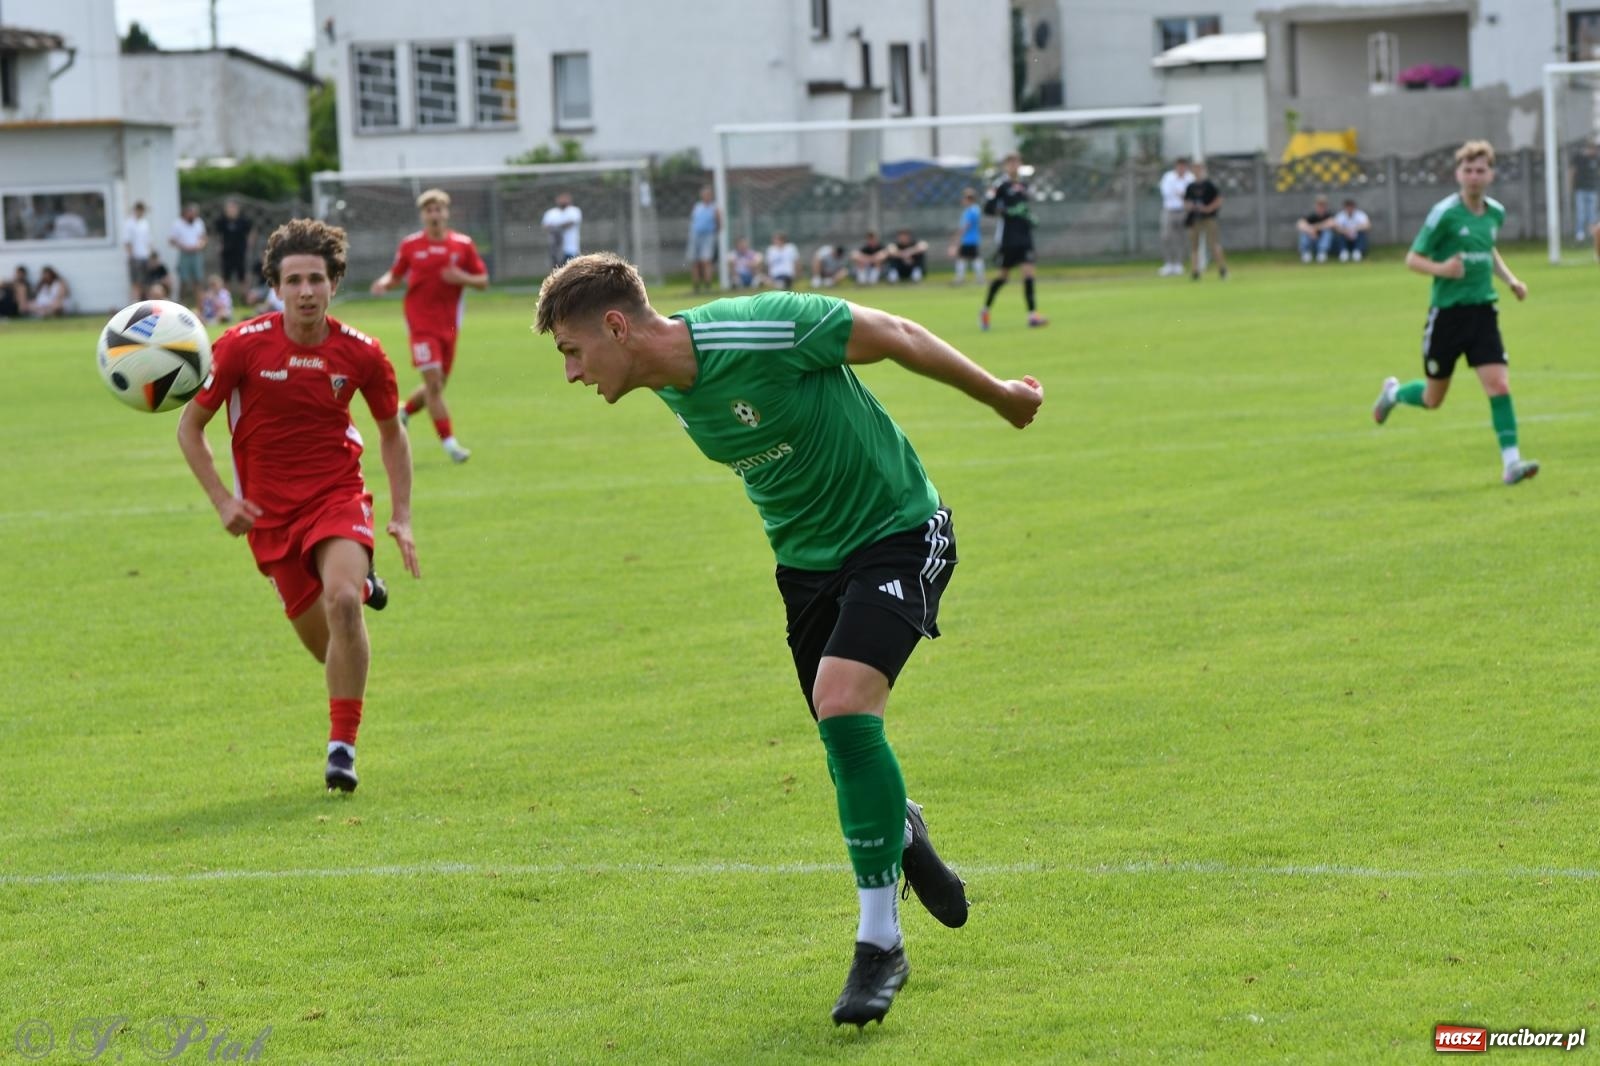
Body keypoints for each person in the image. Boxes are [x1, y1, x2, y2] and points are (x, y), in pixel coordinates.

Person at [533, 251, 1044, 1028]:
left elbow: (898, 331)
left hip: (897, 530)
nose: (570, 373)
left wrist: (1002, 396)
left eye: (572, 351)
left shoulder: (762, 329)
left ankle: (880, 944)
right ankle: (898, 823)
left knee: (842, 705)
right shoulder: (664, 383)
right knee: (847, 742)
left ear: (616, 327)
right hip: (805, 568)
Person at [176, 218, 420, 792]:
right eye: (294, 281)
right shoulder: (240, 346)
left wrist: (402, 515)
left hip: (337, 496)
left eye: (316, 278)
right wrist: (222, 501)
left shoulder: (361, 353)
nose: (306, 291)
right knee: (327, 648)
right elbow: (190, 429)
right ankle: (360, 584)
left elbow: (392, 431)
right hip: (269, 518)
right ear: (276, 286)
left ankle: (342, 751)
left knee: (341, 604)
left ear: (334, 282)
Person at [1371, 140, 1537, 486]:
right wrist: (1444, 269)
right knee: (1433, 399)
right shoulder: (1444, 214)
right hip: (1447, 316)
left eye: (1481, 170)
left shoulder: (1495, 213)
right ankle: (1393, 394)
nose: (1474, 177)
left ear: (1491, 174)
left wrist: (1510, 280)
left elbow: (1487, 248)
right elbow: (1412, 259)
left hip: (1483, 313)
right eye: (1468, 170)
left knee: (1500, 385)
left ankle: (1512, 463)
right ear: (1458, 174)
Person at [370, 188, 489, 465]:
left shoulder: (462, 244)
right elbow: (396, 274)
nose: (434, 214)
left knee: (435, 386)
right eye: (429, 210)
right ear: (423, 215)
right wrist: (384, 283)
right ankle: (451, 446)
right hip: (420, 324)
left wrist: (460, 277)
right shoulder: (411, 245)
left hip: (448, 327)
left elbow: (483, 281)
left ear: (447, 213)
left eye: (439, 209)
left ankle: (404, 411)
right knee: (434, 385)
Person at [980, 152, 1047, 329]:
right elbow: (987, 208)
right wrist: (1004, 210)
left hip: (1025, 236)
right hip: (1008, 238)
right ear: (1005, 166)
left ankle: (1032, 316)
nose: (1014, 166)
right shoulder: (1000, 185)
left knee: (1029, 274)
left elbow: (1026, 205)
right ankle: (985, 309)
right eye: (1010, 163)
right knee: (1003, 277)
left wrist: (1028, 216)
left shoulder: (1024, 185)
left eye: (1016, 162)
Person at [1183, 160, 1227, 281]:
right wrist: (1191, 206)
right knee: (1194, 246)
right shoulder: (1190, 187)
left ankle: (1222, 269)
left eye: (1199, 169)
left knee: (1213, 244)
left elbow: (1219, 199)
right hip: (1194, 218)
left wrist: (1208, 209)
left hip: (1208, 218)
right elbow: (1186, 202)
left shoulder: (1209, 185)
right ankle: (1195, 271)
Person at [1157, 157, 1192, 276]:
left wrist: (1181, 194)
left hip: (1184, 211)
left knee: (1182, 238)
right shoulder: (1168, 177)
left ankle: (1178, 264)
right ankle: (1168, 264)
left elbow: (1189, 194)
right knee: (1166, 237)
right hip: (1170, 210)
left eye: (1183, 166)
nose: (1181, 169)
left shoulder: (1190, 178)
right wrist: (1181, 193)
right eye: (1179, 166)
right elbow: (1167, 192)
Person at [169, 202, 208, 308]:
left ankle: (200, 306)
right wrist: (183, 246)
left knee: (198, 280)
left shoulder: (199, 222)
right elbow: (172, 240)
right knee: (184, 281)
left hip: (196, 253)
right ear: (186, 213)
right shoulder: (177, 224)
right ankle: (182, 305)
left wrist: (200, 245)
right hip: (184, 253)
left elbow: (203, 238)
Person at [215, 199, 254, 303]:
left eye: (232, 208)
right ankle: (226, 299)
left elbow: (251, 232)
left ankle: (245, 298)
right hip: (227, 253)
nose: (231, 210)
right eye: (229, 208)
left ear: (237, 209)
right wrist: (219, 245)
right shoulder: (222, 221)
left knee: (242, 276)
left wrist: (249, 243)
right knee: (226, 277)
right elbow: (218, 235)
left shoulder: (243, 221)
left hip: (240, 252)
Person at [948, 187, 985, 286]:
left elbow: (966, 226)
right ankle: (978, 278)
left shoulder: (972, 210)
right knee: (973, 258)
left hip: (969, 239)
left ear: (969, 199)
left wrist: (957, 236)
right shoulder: (974, 209)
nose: (963, 200)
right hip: (972, 239)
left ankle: (962, 279)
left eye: (965, 198)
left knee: (965, 258)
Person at [687, 185, 721, 293]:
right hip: (695, 235)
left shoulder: (714, 208)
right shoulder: (697, 206)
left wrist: (714, 233)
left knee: (706, 260)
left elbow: (719, 224)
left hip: (708, 236)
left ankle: (707, 285)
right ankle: (696, 286)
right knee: (695, 261)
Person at [1568, 141, 1600, 244]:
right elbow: (1572, 171)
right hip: (1580, 189)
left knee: (1592, 213)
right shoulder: (1578, 158)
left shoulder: (1596, 158)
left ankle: (1592, 234)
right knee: (1581, 213)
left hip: (1592, 189)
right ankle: (1580, 234)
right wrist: (1570, 185)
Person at [541, 191, 582, 269]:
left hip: (571, 249)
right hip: (556, 249)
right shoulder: (551, 213)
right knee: (557, 270)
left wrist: (555, 226)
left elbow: (571, 223)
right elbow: (545, 226)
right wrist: (560, 226)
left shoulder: (574, 211)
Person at [123, 201, 153, 301]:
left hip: (145, 256)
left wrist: (150, 256)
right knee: (136, 283)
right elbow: (127, 242)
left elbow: (148, 241)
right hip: (135, 257)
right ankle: (135, 303)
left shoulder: (145, 223)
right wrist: (132, 256)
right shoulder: (129, 223)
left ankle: (145, 303)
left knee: (146, 283)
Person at [1296, 195, 1335, 264]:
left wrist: (1315, 228)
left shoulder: (1329, 215)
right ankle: (1306, 253)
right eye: (1319, 205)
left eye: (1323, 205)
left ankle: (1322, 253)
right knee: (1304, 233)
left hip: (1321, 241)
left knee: (1327, 232)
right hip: (1311, 239)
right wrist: (1310, 231)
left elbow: (1331, 223)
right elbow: (1300, 224)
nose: (1321, 207)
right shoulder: (1311, 216)